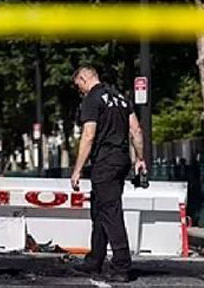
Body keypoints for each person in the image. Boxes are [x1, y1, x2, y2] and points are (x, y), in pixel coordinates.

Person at [70, 66, 147, 282]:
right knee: (100, 210)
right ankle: (94, 260)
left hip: (105, 161)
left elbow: (88, 135)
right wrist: (140, 159)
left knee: (110, 211)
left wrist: (77, 169)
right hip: (121, 159)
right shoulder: (120, 98)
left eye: (79, 86)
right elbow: (136, 130)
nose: (80, 91)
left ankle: (121, 265)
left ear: (84, 78)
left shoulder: (92, 99)